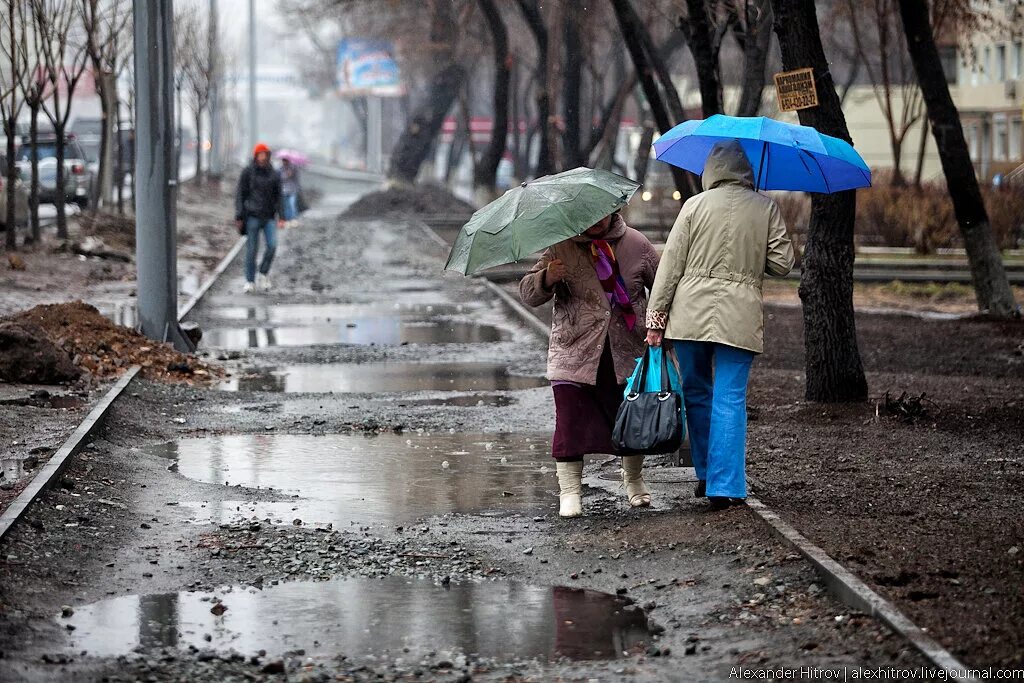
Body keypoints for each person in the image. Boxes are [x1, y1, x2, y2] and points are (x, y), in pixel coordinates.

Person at [645, 139, 795, 510]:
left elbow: (670, 267)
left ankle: (705, 472)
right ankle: (724, 485)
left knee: (696, 394)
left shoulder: (694, 206)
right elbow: (783, 264)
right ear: (747, 171)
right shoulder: (766, 208)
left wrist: (655, 319)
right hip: (739, 317)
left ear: (710, 170)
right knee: (730, 398)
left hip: (689, 317)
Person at [520, 211, 660, 518]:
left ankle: (634, 480)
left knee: (628, 419)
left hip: (625, 349)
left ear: (612, 211)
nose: (593, 220)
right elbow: (528, 293)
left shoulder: (637, 244)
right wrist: (547, 277)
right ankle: (570, 491)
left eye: (601, 214)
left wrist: (658, 326)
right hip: (574, 349)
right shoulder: (560, 246)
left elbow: (662, 288)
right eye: (588, 216)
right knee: (569, 419)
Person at [235, 142, 283, 293]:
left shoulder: (274, 174)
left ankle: (263, 272)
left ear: (268, 156)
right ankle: (250, 280)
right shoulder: (248, 172)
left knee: (272, 245)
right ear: (256, 156)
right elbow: (240, 194)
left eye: (265, 154)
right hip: (252, 216)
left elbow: (279, 196)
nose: (263, 157)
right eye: (260, 154)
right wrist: (239, 215)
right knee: (251, 250)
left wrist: (282, 216)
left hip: (269, 216)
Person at [279, 157, 301, 226]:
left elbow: (296, 177)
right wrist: (286, 175)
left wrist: (292, 172)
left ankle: (294, 219)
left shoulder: (293, 167)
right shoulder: (281, 169)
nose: (284, 162)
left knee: (292, 204)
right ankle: (288, 220)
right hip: (284, 190)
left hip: (293, 189)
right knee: (286, 206)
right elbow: (280, 178)